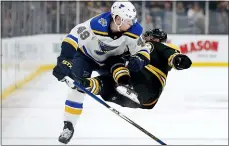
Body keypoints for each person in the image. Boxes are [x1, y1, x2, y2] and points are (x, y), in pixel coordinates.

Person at [52, 1, 151, 144]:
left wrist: (140, 59)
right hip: (86, 57)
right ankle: (69, 125)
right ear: (117, 19)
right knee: (77, 88)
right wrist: (64, 60)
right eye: (128, 20)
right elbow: (72, 37)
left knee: (121, 68)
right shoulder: (96, 25)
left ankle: (125, 85)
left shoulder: (133, 30)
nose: (132, 23)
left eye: (132, 19)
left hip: (112, 60)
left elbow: (143, 50)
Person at [69, 28, 192, 111]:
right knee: (107, 84)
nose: (145, 38)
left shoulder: (155, 46)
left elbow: (171, 55)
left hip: (147, 83)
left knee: (115, 61)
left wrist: (178, 59)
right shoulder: (138, 48)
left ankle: (124, 84)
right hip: (144, 99)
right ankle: (87, 84)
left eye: (149, 36)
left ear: (156, 39)